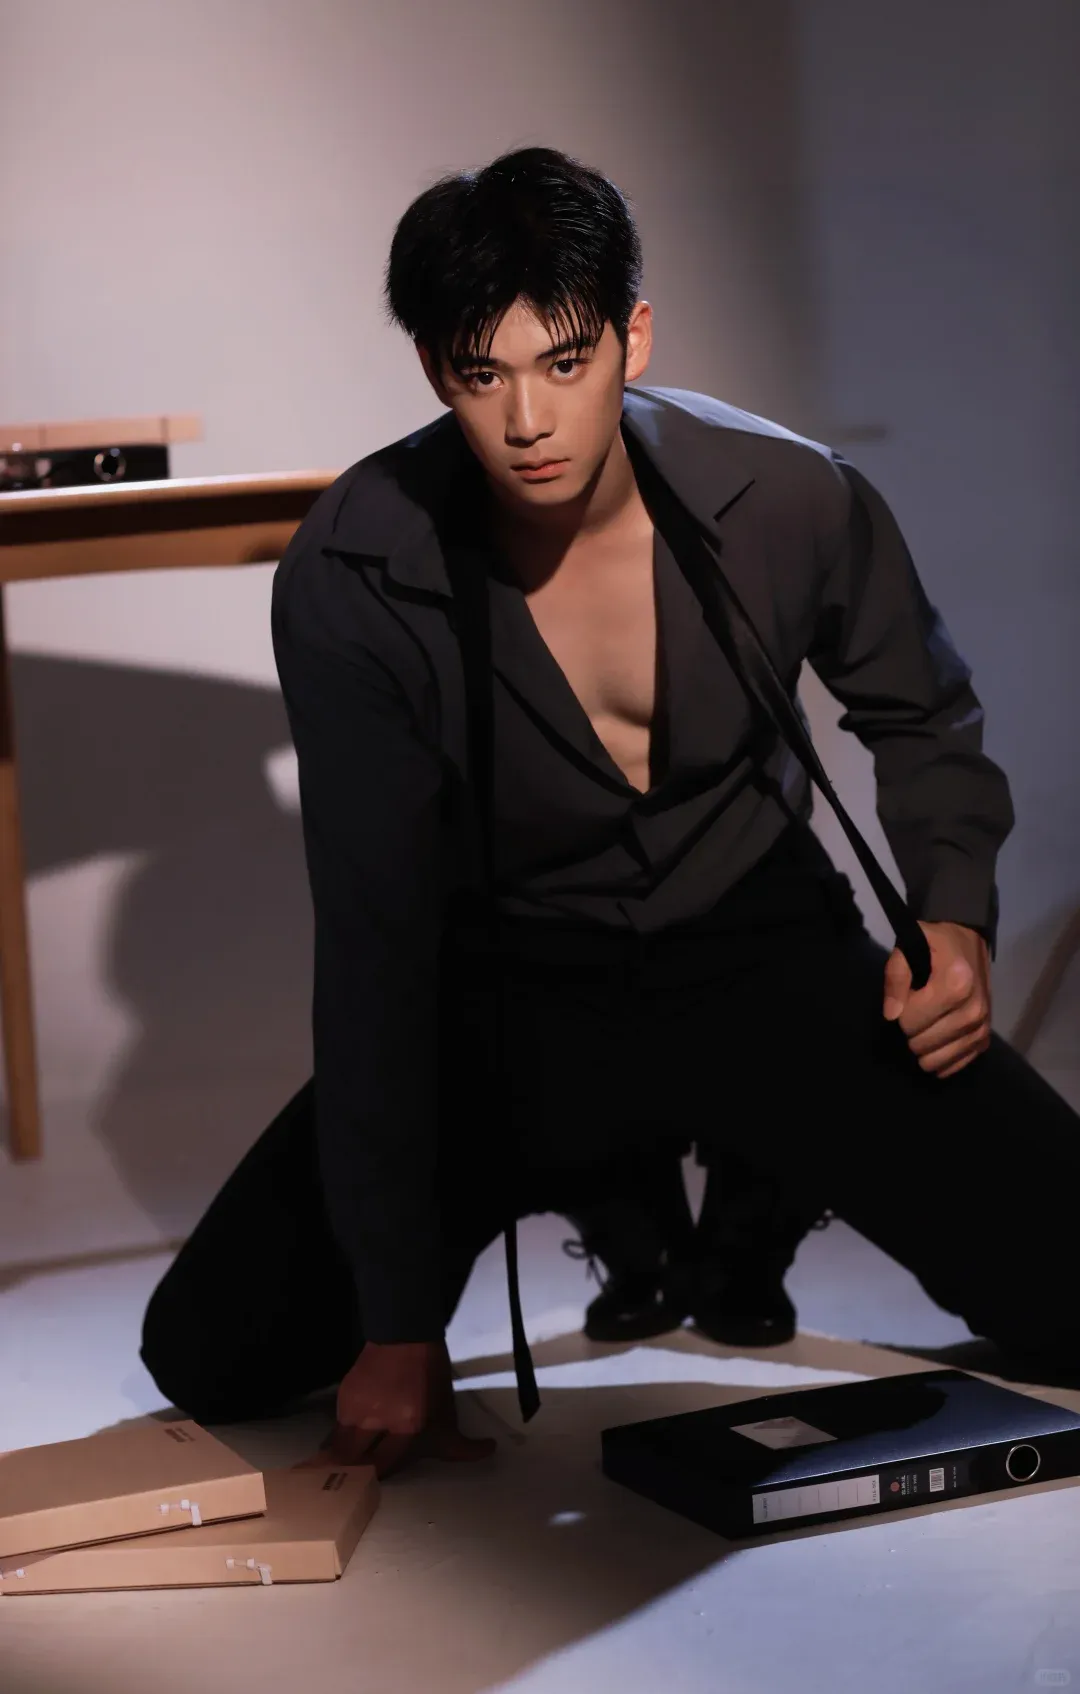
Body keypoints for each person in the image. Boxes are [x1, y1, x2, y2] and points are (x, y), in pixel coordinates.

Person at [140, 146, 1080, 1481]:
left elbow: (922, 712)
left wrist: (955, 917)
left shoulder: (788, 494)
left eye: (565, 360)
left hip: (764, 948)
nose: (529, 419)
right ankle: (625, 1174)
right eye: (484, 374)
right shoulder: (354, 570)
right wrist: (399, 1321)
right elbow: (374, 947)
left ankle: (756, 1165)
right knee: (212, 1352)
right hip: (519, 991)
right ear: (436, 372)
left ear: (633, 339)